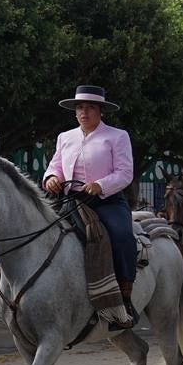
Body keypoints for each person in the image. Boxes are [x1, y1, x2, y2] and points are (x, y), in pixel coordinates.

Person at [44, 85, 137, 328]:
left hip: (106, 201)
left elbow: (125, 173)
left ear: (101, 111)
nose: (84, 112)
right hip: (71, 200)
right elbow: (55, 166)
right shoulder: (65, 138)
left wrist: (101, 185)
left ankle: (124, 296)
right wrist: (51, 178)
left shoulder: (117, 136)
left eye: (90, 107)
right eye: (80, 107)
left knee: (122, 236)